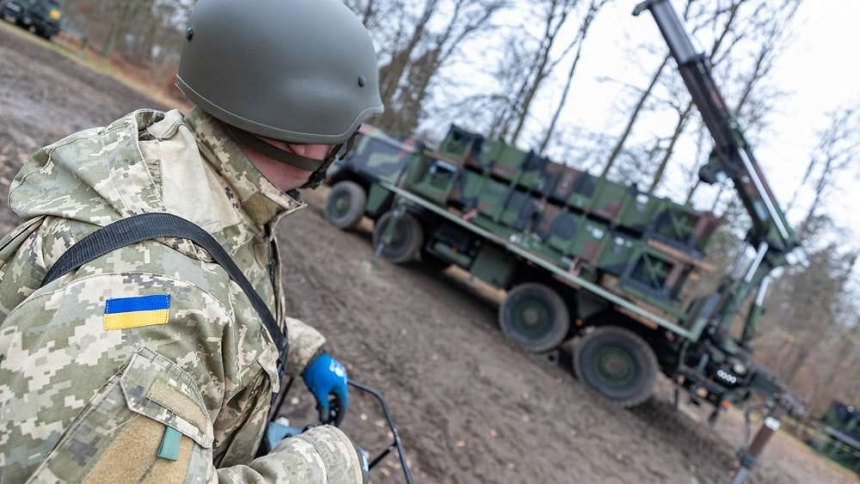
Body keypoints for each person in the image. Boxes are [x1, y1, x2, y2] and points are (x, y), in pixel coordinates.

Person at [0, 0, 383, 482]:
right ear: (301, 130)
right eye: (346, 128)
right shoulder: (152, 323)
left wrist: (299, 346)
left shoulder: (190, 171)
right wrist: (323, 467)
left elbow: (208, 282)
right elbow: (154, 310)